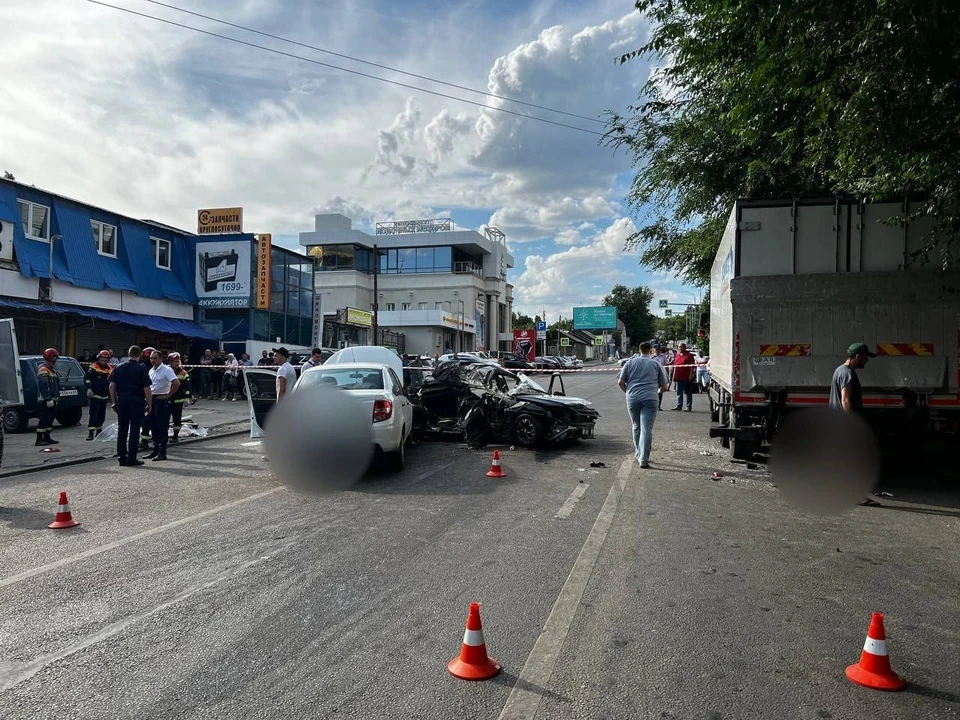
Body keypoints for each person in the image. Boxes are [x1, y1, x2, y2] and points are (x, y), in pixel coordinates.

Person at [829, 342, 880, 505]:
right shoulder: (847, 373)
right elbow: (845, 399)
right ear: (858, 357)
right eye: (865, 358)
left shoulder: (839, 370)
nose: (866, 361)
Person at [618, 342, 669, 468]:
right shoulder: (656, 364)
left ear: (639, 350)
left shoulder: (629, 363)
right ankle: (644, 459)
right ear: (650, 351)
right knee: (646, 429)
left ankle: (638, 453)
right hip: (650, 398)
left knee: (636, 426)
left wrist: (628, 392)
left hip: (633, 398)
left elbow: (620, 382)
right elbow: (664, 386)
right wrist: (657, 391)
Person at [109, 346, 152, 467]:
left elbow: (112, 386)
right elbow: (147, 389)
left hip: (122, 401)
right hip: (136, 401)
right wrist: (149, 404)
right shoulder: (141, 369)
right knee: (134, 429)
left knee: (122, 430)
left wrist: (114, 402)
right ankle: (132, 458)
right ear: (140, 355)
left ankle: (122, 458)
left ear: (128, 354)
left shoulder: (118, 367)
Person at [144, 350, 179, 462]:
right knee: (153, 425)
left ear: (161, 359)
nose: (152, 360)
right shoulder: (151, 370)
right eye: (151, 358)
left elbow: (176, 382)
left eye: (155, 358)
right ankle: (155, 450)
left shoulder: (166, 370)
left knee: (162, 426)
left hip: (161, 399)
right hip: (152, 399)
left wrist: (168, 396)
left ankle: (162, 452)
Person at [84, 350, 112, 440]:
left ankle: (99, 432)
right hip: (95, 395)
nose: (103, 360)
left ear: (108, 359)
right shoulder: (93, 367)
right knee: (93, 414)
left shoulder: (110, 369)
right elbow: (87, 378)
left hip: (104, 396)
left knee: (101, 415)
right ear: (99, 358)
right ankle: (91, 433)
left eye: (105, 358)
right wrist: (88, 388)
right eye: (102, 358)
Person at [35, 348, 61, 446]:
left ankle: (47, 437)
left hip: (52, 400)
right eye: (55, 357)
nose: (56, 359)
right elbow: (43, 385)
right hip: (46, 400)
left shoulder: (51, 370)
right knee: (44, 419)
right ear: (51, 357)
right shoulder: (43, 370)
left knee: (49, 419)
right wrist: (48, 398)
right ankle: (39, 439)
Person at [167, 353, 192, 444]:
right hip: (167, 399)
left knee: (176, 418)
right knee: (165, 419)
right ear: (170, 362)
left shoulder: (183, 373)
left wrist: (188, 397)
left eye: (178, 361)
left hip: (178, 399)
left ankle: (175, 436)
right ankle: (163, 436)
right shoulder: (166, 371)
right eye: (175, 362)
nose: (177, 363)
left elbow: (188, 386)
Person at [671, 342, 696, 412]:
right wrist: (673, 376)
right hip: (679, 377)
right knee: (679, 392)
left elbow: (692, 366)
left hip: (687, 377)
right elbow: (675, 367)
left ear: (685, 347)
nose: (681, 348)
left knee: (688, 392)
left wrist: (691, 375)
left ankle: (688, 406)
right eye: (679, 347)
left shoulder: (689, 355)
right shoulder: (677, 356)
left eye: (682, 347)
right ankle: (679, 405)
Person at [651, 345, 670, 410]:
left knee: (660, 391)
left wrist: (667, 375)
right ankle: (653, 405)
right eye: (656, 349)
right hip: (653, 376)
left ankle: (658, 405)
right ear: (654, 350)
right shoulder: (651, 357)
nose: (657, 351)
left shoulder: (663, 357)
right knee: (653, 391)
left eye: (658, 349)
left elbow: (666, 366)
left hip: (661, 375)